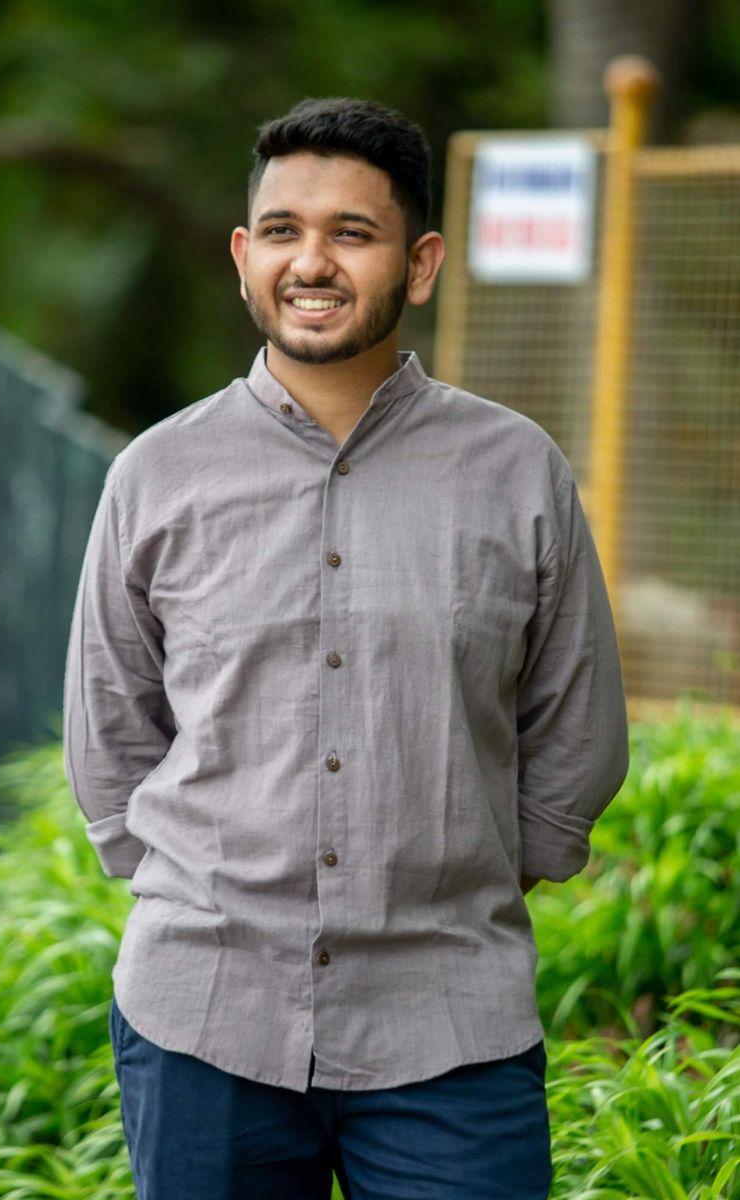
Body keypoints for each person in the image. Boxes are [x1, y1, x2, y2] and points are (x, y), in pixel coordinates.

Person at [63, 97, 629, 1200]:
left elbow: (577, 726)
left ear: (419, 265)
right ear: (243, 256)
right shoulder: (156, 476)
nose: (310, 262)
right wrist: (200, 894)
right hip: (203, 1019)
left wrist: (454, 877)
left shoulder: (517, 473)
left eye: (350, 234)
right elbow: (109, 732)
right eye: (282, 230)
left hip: (449, 1029)